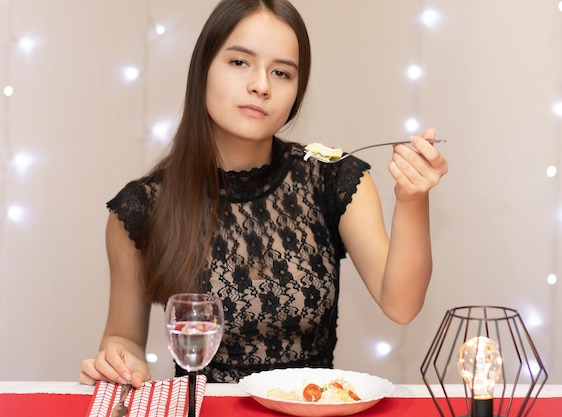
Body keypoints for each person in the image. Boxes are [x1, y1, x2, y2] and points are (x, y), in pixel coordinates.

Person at [79, 0, 448, 387]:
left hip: (311, 410)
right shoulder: (140, 208)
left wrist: (411, 198)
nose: (261, 85)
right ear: (203, 68)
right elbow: (123, 339)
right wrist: (120, 363)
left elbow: (401, 305)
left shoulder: (332, 178)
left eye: (282, 72)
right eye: (239, 62)